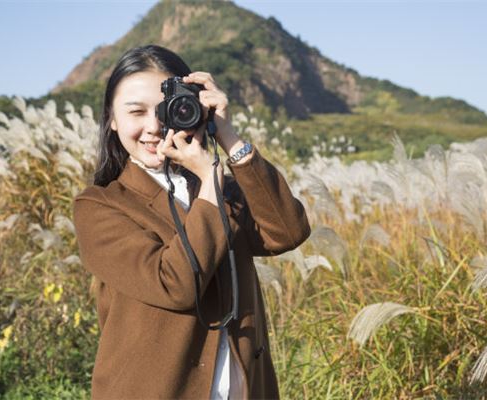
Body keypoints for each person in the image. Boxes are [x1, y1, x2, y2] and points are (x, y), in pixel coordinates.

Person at [72, 44, 311, 399]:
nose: (153, 127)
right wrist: (211, 185)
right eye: (135, 112)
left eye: (166, 110)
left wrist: (227, 135)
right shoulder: (100, 206)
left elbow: (287, 231)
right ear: (112, 119)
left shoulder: (220, 188)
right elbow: (175, 285)